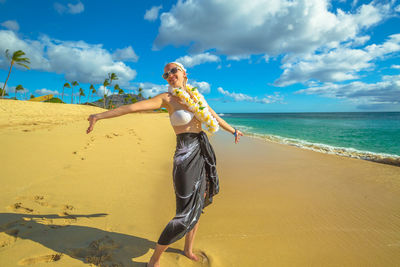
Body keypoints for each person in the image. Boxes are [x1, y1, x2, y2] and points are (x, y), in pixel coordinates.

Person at [86, 62, 243, 267]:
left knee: (199, 203)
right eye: (165, 74)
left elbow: (213, 116)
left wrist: (233, 131)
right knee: (185, 211)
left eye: (173, 70)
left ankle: (188, 248)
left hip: (203, 152)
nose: (169, 75)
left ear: (184, 73)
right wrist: (98, 115)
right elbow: (130, 108)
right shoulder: (166, 99)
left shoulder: (197, 97)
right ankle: (154, 260)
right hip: (185, 156)